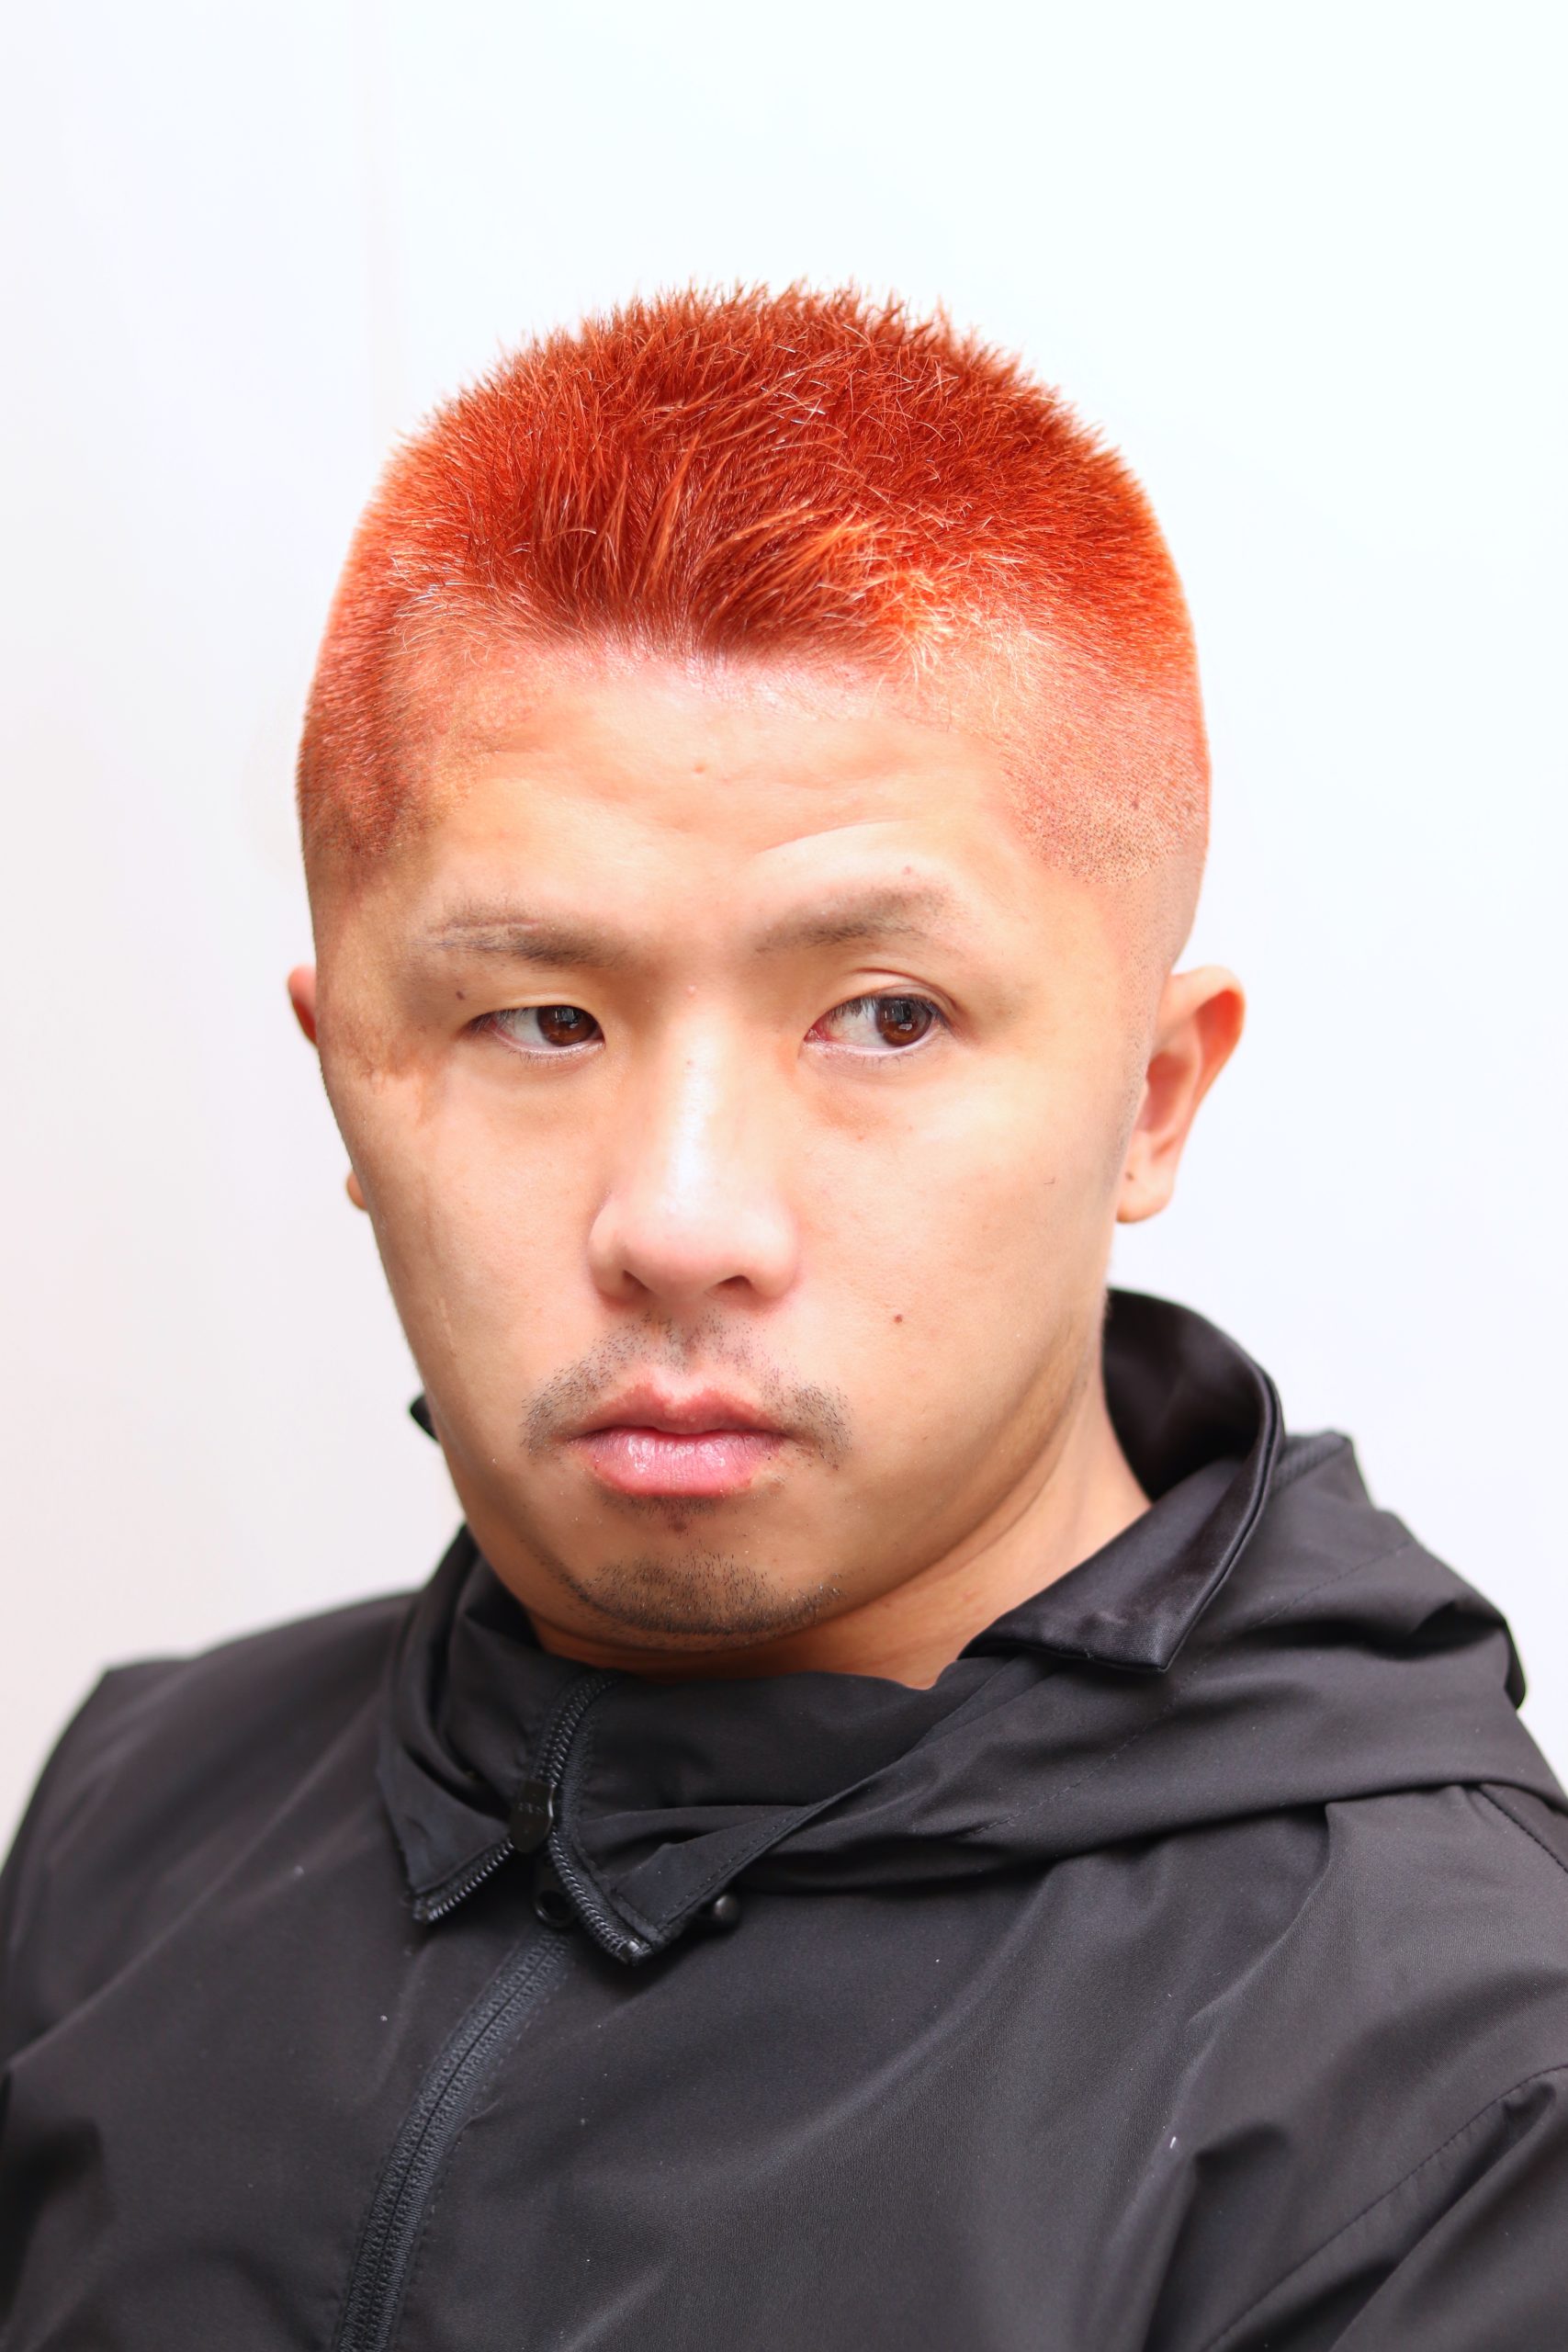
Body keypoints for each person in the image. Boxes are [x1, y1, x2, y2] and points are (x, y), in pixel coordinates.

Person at [2, 285, 1564, 2351]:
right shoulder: (130, 1815)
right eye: (537, 1018)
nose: (681, 1222)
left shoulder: (1458, 2088)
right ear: (346, 1080)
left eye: (884, 1016)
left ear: (1152, 1100)